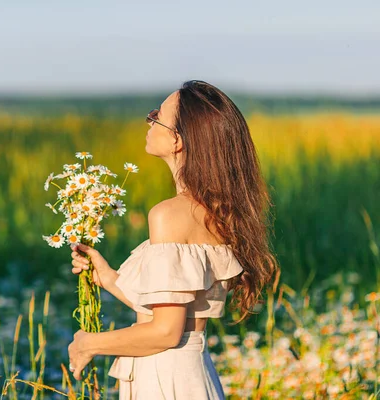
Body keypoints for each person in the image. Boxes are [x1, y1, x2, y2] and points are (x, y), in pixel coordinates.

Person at [67, 80, 280, 399]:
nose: (149, 121)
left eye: (157, 115)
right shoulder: (211, 210)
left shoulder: (168, 215)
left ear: (178, 139)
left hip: (164, 378)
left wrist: (89, 343)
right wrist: (110, 279)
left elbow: (166, 332)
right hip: (189, 374)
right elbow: (179, 310)